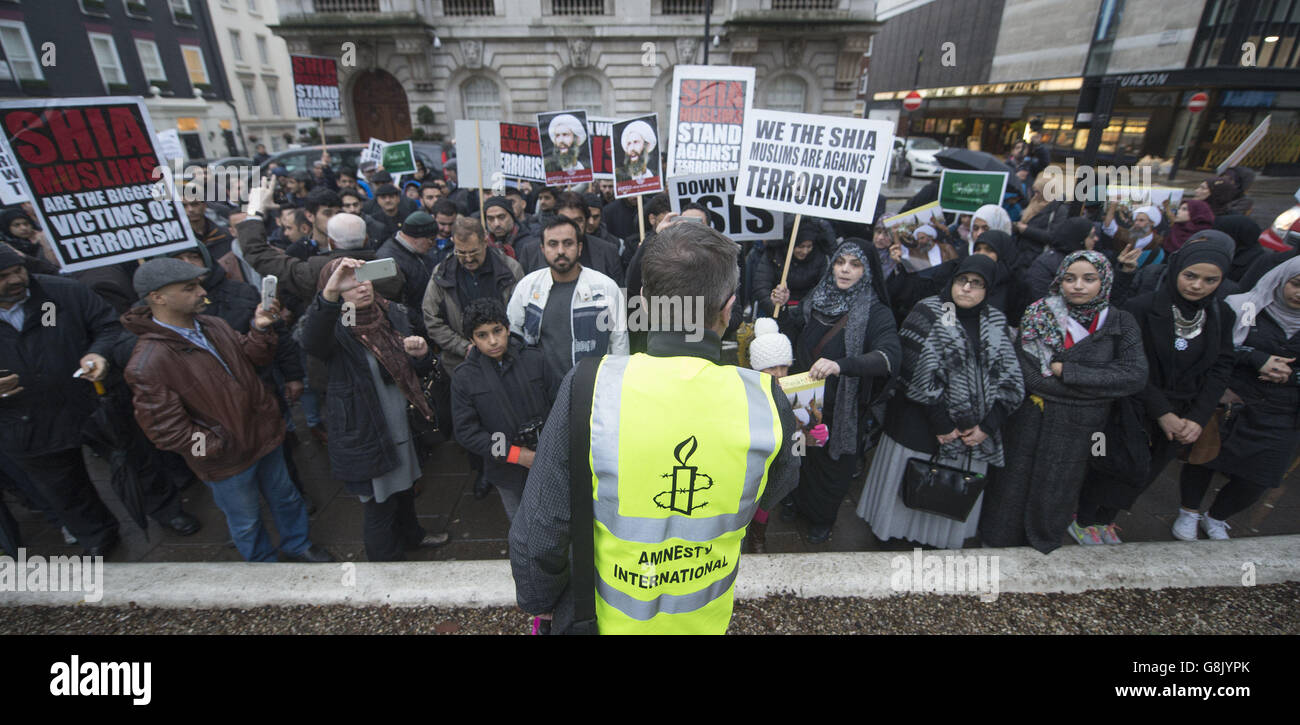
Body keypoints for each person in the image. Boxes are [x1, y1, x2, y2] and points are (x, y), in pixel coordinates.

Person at [508, 220, 801, 634]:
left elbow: (540, 529)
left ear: (644, 303)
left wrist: (541, 600)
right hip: (705, 622)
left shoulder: (591, 385)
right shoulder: (766, 398)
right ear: (728, 307)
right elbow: (776, 486)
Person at [123, 258, 332, 563]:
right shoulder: (148, 363)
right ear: (157, 297)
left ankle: (298, 544)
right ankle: (263, 566)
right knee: (246, 520)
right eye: (190, 287)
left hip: (264, 438)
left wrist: (260, 330)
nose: (202, 291)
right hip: (227, 459)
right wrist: (214, 445)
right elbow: (165, 430)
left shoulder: (213, 324)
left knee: (286, 498)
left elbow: (252, 357)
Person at [0, 246, 197, 557]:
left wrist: (99, 353)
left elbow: (108, 326)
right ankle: (97, 535)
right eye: (3, 276)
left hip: (93, 402)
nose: (14, 279)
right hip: (27, 423)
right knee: (63, 486)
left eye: (17, 270)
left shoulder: (60, 293)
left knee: (137, 461)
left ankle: (168, 510)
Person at [979, 251, 1148, 553]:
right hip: (1029, 420)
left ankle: (1044, 540)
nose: (1078, 286)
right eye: (1070, 278)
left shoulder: (1120, 322)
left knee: (1061, 485)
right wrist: (1098, 387)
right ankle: (996, 542)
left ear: (1104, 281)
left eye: (1088, 278)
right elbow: (1031, 377)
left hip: (1082, 428)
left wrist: (1069, 372)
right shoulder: (1038, 315)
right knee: (1011, 485)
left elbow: (1133, 376)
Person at [1073, 239, 1234, 544]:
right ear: (1176, 272)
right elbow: (1129, 363)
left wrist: (1198, 417)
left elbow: (1221, 367)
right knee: (1112, 463)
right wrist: (1162, 412)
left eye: (1210, 280)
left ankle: (1108, 519)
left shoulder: (1220, 315)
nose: (1198, 286)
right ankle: (1084, 518)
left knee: (1147, 470)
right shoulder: (1142, 308)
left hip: (1185, 410)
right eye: (1191, 276)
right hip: (1133, 404)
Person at [858, 255, 1025, 548]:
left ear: (988, 290)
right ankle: (892, 541)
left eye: (977, 284)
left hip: (972, 433)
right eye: (962, 281)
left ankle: (933, 545)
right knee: (909, 488)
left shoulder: (996, 322)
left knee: (948, 495)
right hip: (920, 424)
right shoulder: (930, 311)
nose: (967, 289)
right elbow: (909, 369)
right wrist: (943, 423)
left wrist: (986, 425)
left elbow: (1011, 381)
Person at [301, 257, 449, 561]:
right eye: (349, 284)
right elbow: (313, 340)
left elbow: (414, 369)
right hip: (369, 432)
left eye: (364, 280)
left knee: (406, 491)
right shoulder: (336, 327)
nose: (361, 288)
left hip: (402, 426)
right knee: (380, 505)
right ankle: (386, 568)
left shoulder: (390, 313)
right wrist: (330, 293)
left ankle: (413, 537)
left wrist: (420, 356)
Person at [1168, 257, 1300, 539]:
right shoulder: (1252, 307)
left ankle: (1217, 516)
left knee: (1260, 476)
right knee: (1206, 457)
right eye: (1296, 284)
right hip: (1231, 400)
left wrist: (1292, 376)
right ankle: (1189, 510)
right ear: (1281, 280)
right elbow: (1217, 345)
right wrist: (1257, 358)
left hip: (1283, 412)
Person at [783, 240, 902, 544]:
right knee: (800, 454)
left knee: (830, 466)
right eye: (840, 262)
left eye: (855, 264)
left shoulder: (875, 312)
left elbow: (889, 357)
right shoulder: (818, 296)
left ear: (867, 271)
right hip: (804, 398)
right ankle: (794, 500)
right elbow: (796, 328)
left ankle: (822, 518)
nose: (845, 269)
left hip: (841, 408)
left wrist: (841, 365)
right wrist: (784, 305)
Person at [451, 298, 557, 523]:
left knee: (557, 521)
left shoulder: (534, 359)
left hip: (549, 460)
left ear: (508, 329)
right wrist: (517, 455)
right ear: (471, 340)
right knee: (521, 526)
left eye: (497, 331)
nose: (492, 341)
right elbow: (467, 432)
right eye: (482, 335)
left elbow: (559, 405)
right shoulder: (464, 378)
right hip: (505, 471)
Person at [508, 217, 629, 382]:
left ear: (579, 248)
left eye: (568, 243)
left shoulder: (606, 287)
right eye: (552, 244)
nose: (560, 251)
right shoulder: (527, 287)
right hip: (543, 389)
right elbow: (514, 335)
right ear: (542, 249)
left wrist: (615, 384)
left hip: (594, 386)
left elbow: (619, 344)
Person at [423, 217, 525, 373]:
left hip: (508, 358)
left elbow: (522, 313)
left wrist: (501, 341)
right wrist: (465, 348)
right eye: (461, 253)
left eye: (474, 252)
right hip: (462, 363)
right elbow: (432, 318)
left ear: (485, 241)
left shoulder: (510, 269)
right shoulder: (441, 274)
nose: (469, 259)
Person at [743, 316, 798, 554]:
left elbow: (802, 439)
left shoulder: (796, 392)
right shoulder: (744, 390)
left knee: (767, 499)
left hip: (780, 458)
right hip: (753, 456)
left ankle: (758, 537)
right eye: (771, 367)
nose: (779, 373)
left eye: (784, 366)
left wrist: (815, 433)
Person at [515, 192, 624, 285]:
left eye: (578, 220)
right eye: (565, 220)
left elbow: (620, 297)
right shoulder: (531, 251)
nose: (571, 226)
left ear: (586, 221)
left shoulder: (608, 251)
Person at [757, 228, 829, 341]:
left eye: (809, 246)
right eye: (800, 246)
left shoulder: (820, 257)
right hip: (776, 306)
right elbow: (761, 287)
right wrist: (776, 306)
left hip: (807, 310)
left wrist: (808, 309)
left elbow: (824, 287)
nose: (805, 251)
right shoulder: (773, 255)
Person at [376, 210, 440, 336]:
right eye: (431, 240)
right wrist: (427, 327)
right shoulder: (388, 261)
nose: (433, 245)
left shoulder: (420, 251)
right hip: (414, 331)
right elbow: (397, 306)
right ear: (415, 237)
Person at [1024, 217, 1096, 304]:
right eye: (1091, 236)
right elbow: (1039, 298)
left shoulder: (1087, 261)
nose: (1096, 239)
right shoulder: (1046, 264)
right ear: (1079, 238)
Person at [615, 119, 658, 184]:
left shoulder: (655, 176)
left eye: (636, 142)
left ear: (647, 146)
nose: (632, 148)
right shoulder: (619, 177)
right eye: (629, 144)